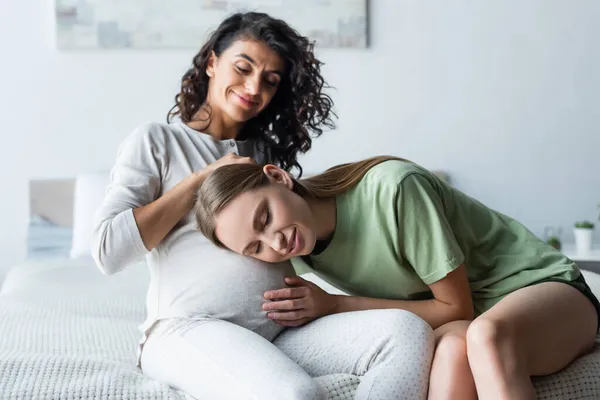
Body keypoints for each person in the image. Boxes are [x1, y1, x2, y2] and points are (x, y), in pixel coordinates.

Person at [92, 12, 434, 400]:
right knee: (295, 394)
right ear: (211, 63)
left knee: (405, 332)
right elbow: (108, 251)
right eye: (243, 67)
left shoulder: (264, 156)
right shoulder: (158, 142)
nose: (254, 87)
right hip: (189, 327)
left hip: (280, 331)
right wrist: (200, 180)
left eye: (270, 81)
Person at [195, 155, 600, 400]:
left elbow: (455, 305)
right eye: (255, 248)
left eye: (265, 218)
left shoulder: (395, 188)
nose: (275, 242)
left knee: (485, 337)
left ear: (279, 177)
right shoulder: (299, 254)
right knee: (454, 352)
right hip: (469, 321)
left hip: (545, 290)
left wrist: (336, 304)